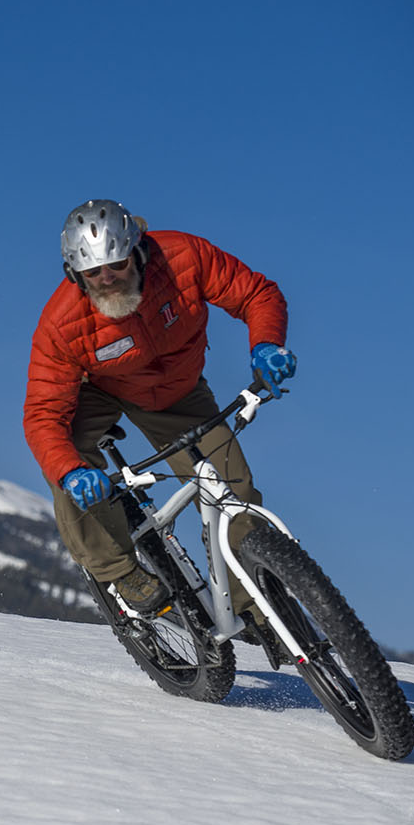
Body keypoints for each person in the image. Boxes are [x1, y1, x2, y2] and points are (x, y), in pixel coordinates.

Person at [23, 199, 296, 624]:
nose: (107, 279)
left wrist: (266, 343)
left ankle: (257, 610)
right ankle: (119, 571)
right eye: (93, 273)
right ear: (75, 275)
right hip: (97, 391)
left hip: (176, 393)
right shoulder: (62, 324)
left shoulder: (184, 257)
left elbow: (256, 294)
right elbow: (42, 416)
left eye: (116, 264)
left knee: (234, 494)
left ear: (138, 250)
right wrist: (71, 472)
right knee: (67, 455)